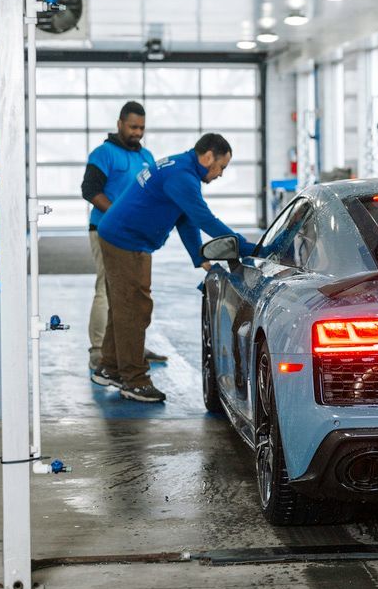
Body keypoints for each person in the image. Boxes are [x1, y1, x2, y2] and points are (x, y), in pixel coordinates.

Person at [93, 133, 255, 402]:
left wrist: (198, 256)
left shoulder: (181, 167)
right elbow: (204, 219)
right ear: (207, 157)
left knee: (123, 307)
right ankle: (134, 380)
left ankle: (110, 367)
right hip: (126, 242)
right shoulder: (183, 177)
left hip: (119, 236)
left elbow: (186, 218)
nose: (221, 174)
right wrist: (247, 247)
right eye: (221, 167)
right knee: (134, 309)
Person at [80, 101, 168, 377]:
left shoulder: (147, 156)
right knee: (107, 290)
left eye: (141, 127)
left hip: (136, 236)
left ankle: (131, 348)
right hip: (105, 231)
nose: (137, 132)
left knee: (136, 295)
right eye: (132, 127)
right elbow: (90, 190)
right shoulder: (103, 154)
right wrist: (119, 214)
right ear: (119, 124)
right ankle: (99, 351)